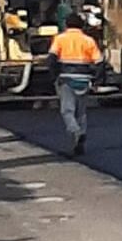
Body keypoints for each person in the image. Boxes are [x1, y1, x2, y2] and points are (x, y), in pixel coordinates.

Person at [48, 13, 103, 156]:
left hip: (66, 78)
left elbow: (52, 59)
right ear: (82, 25)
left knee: (67, 110)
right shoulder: (89, 41)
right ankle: (80, 140)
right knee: (81, 112)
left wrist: (54, 76)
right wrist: (96, 79)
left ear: (66, 24)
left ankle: (76, 132)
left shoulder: (60, 39)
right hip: (84, 79)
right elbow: (99, 63)